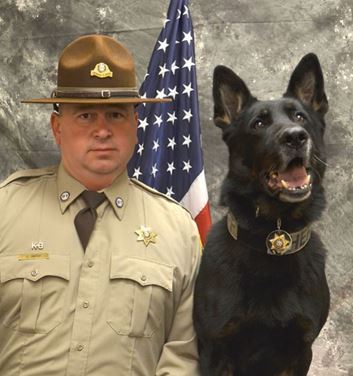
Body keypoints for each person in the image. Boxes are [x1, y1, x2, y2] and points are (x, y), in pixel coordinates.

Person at [0, 34, 201, 375]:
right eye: (86, 116)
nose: (103, 131)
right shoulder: (5, 210)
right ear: (56, 126)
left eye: (116, 115)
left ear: (135, 125)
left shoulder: (178, 231)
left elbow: (185, 357)